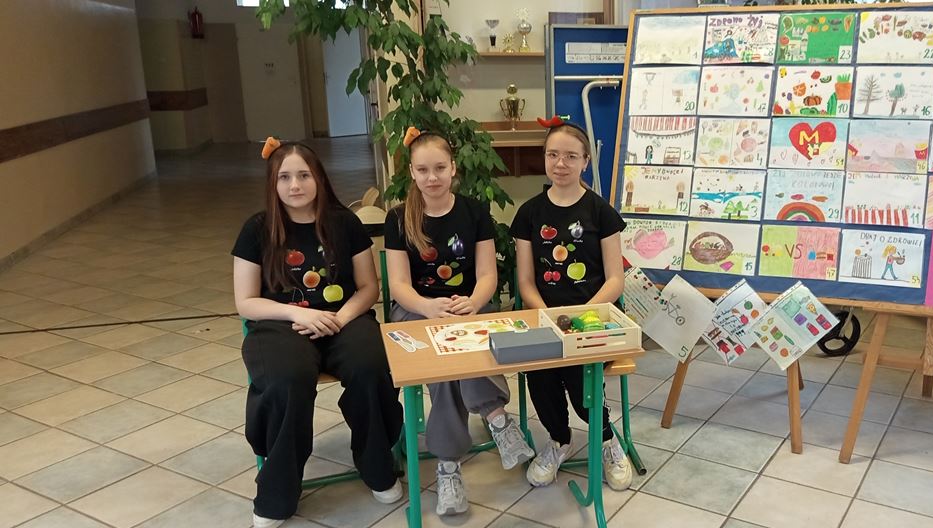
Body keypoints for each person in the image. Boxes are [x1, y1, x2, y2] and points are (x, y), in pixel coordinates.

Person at [232, 138, 404, 528]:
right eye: (285, 177)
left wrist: (339, 319)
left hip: (345, 319)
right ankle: (277, 491)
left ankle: (377, 465)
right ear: (273, 183)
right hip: (281, 325)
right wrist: (297, 313)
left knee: (371, 365)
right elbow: (246, 301)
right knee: (287, 379)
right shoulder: (257, 229)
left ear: (319, 179)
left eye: (304, 175)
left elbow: (368, 288)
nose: (295, 185)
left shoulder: (345, 224)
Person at [384, 127, 534, 516]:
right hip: (416, 310)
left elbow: (486, 276)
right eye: (422, 170)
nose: (431, 177)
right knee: (444, 362)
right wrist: (428, 307)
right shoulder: (398, 218)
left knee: (458, 349)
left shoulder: (474, 212)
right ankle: (495, 420)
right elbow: (399, 286)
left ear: (453, 168)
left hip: (469, 306)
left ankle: (450, 462)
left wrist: (472, 303)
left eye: (439, 168)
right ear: (412, 173)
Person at [512, 117, 633, 490]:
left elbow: (615, 279)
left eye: (570, 156)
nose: (560, 164)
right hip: (544, 316)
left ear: (585, 161)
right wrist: (548, 315)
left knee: (582, 386)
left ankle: (606, 440)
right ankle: (559, 440)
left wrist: (582, 315)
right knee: (540, 376)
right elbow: (526, 281)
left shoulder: (600, 212)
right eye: (552, 155)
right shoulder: (529, 213)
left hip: (593, 317)